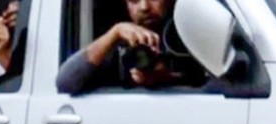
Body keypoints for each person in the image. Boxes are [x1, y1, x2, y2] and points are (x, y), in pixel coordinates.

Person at [56, 0, 206, 94]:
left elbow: (217, 87)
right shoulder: (118, 44)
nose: (144, 7)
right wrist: (114, 34)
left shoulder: (194, 36)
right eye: (133, 0)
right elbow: (65, 82)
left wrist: (168, 79)